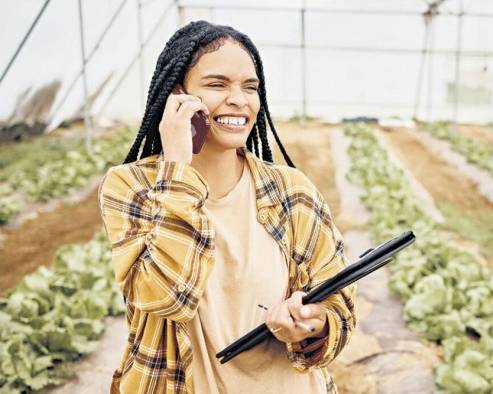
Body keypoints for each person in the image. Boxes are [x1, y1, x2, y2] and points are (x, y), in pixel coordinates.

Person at [98, 20, 357, 394]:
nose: (239, 99)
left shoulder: (293, 191)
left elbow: (340, 308)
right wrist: (177, 170)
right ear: (177, 96)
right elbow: (166, 297)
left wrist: (314, 324)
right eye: (218, 85)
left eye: (250, 88)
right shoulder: (132, 187)